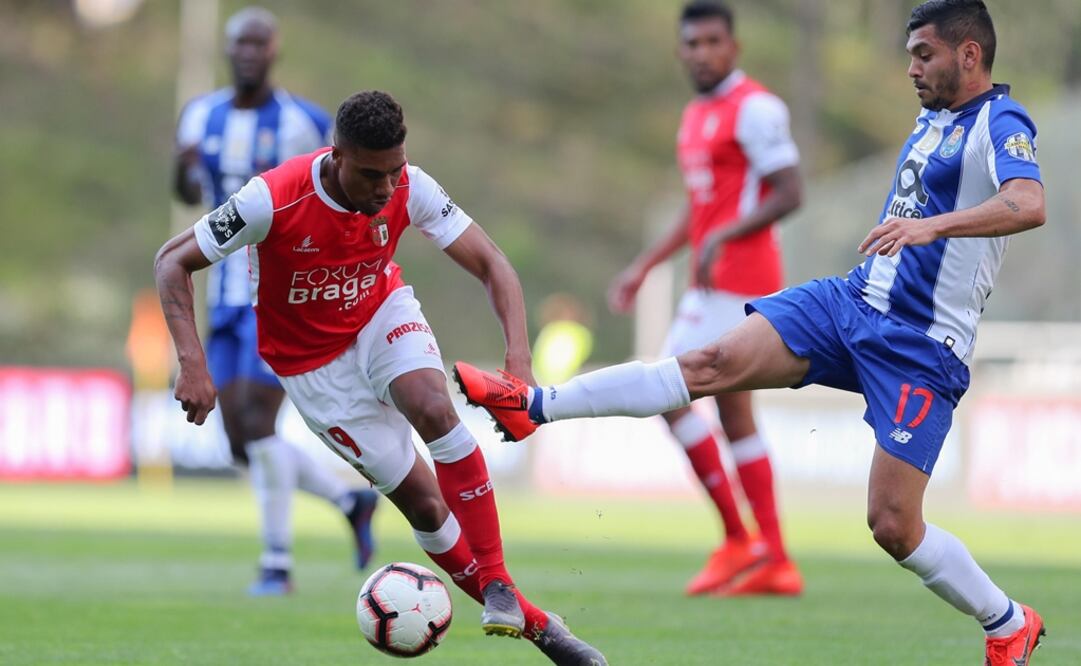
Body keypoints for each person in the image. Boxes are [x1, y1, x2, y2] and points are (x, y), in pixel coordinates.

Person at [455, 1, 1046, 662]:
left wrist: (931, 226)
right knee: (705, 364)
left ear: (969, 55)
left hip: (919, 344)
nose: (910, 67)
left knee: (891, 525)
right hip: (850, 303)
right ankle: (532, 404)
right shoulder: (932, 116)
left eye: (923, 54)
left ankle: (1004, 621)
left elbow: (1028, 203)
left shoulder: (1000, 119)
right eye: (909, 52)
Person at [156, 90, 607, 665]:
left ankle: (496, 583)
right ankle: (545, 629)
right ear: (337, 154)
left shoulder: (411, 185)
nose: (386, 189)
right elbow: (172, 261)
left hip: (379, 315)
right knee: (423, 505)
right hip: (313, 370)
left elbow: (493, 263)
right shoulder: (271, 199)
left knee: (435, 407)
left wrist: (519, 362)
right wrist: (193, 362)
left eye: (395, 172)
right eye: (372, 175)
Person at [172, 6, 377, 596]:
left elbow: (339, 192)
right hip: (224, 293)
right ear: (228, 49)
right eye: (239, 43)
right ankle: (348, 499)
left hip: (282, 293)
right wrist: (184, 171)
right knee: (238, 438)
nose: (247, 53)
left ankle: (276, 564)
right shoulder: (199, 114)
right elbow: (187, 194)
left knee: (259, 420)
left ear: (274, 51)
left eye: (258, 44)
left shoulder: (304, 121)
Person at [605, 0, 803, 597]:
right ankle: (772, 556)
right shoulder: (695, 116)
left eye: (713, 41)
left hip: (742, 280)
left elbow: (790, 192)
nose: (702, 52)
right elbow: (700, 209)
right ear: (680, 51)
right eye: (691, 43)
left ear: (733, 48)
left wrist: (723, 235)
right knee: (734, 413)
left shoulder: (757, 109)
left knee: (667, 390)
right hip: (709, 282)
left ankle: (741, 540)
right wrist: (645, 266)